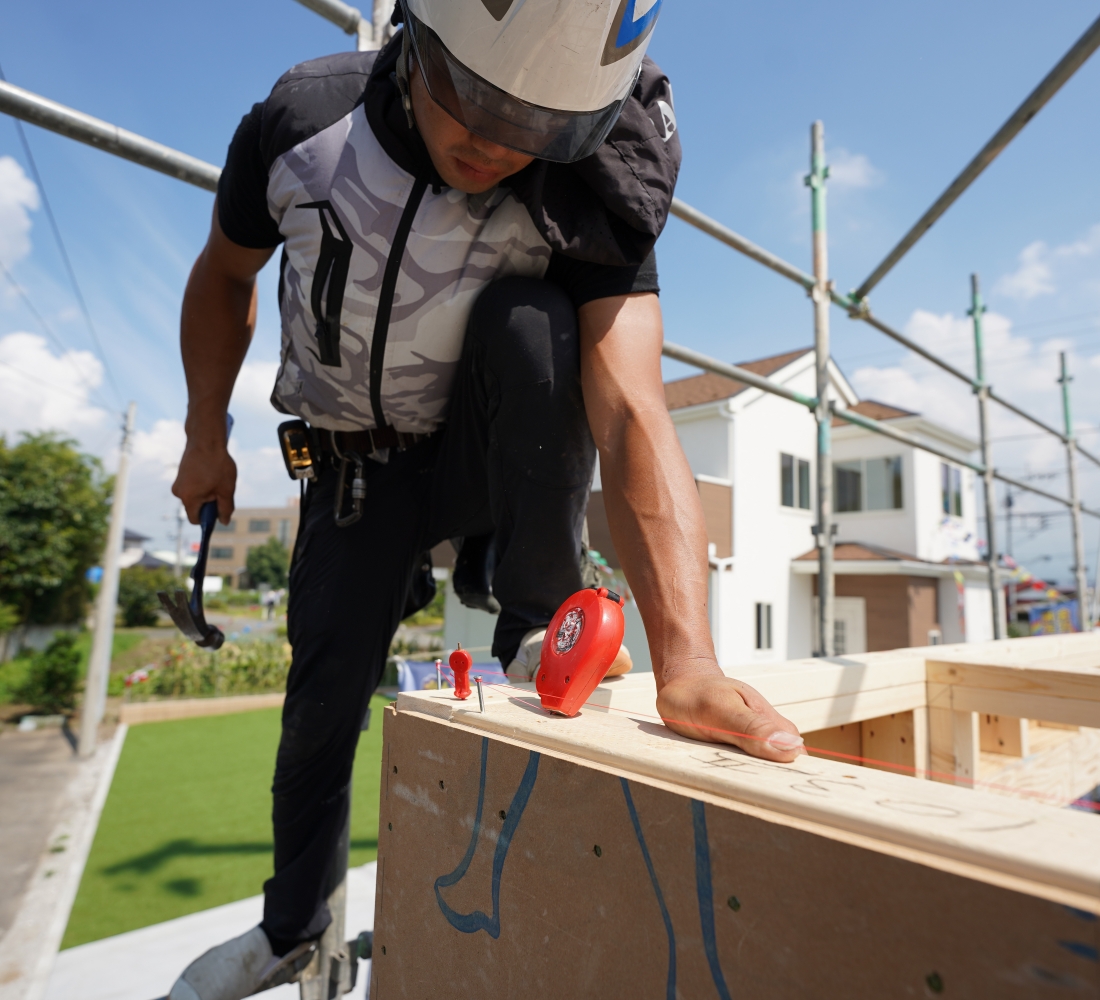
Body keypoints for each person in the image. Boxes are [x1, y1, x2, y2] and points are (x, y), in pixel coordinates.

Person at [168, 1, 804, 996]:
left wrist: (688, 658)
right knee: (321, 709)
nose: (500, 144)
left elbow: (632, 406)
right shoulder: (304, 119)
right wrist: (204, 436)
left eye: (539, 124)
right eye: (475, 100)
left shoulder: (587, 181)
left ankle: (530, 600)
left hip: (484, 459)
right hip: (352, 474)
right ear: (414, 39)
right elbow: (223, 276)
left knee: (534, 320)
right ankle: (292, 926)